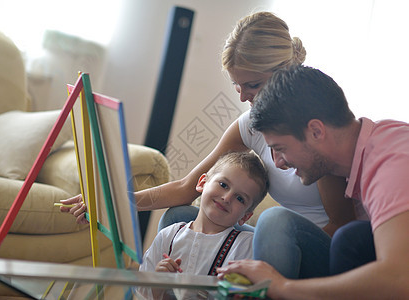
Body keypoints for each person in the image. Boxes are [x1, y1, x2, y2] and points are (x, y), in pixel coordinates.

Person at [61, 11, 356, 279]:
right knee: (180, 217)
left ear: (283, 74)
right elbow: (189, 187)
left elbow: (341, 226)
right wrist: (114, 202)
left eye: (252, 85)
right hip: (276, 241)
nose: (243, 98)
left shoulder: (315, 132)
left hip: (319, 249)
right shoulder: (250, 125)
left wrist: (267, 251)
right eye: (237, 86)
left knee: (275, 220)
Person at [216, 65, 409, 299]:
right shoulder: (378, 141)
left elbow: (400, 280)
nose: (278, 163)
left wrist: (282, 287)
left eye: (280, 148)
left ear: (316, 131)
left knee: (348, 238)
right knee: (351, 240)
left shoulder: (391, 164)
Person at [136, 152, 268, 299]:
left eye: (240, 198)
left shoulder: (245, 246)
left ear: (245, 216)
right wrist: (157, 285)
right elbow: (142, 294)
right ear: (202, 183)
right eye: (223, 185)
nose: (226, 198)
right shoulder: (168, 236)